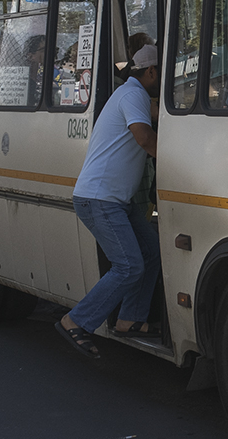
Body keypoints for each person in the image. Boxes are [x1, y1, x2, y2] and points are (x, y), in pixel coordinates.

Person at [56, 44, 162, 358]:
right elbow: (144, 137)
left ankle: (130, 319)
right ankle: (75, 321)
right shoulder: (132, 96)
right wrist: (179, 159)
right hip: (100, 199)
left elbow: (158, 112)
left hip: (116, 200)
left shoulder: (133, 94)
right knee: (129, 265)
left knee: (152, 252)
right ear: (151, 72)